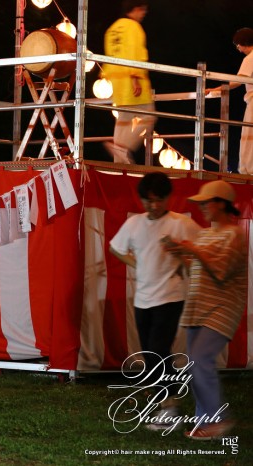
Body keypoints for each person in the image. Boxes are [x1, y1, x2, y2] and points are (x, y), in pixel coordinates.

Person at [109, 172, 201, 430]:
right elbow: (115, 248)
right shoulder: (134, 224)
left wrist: (182, 255)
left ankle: (169, 408)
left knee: (158, 350)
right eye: (149, 200)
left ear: (168, 198)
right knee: (152, 354)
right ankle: (168, 403)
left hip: (171, 296)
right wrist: (136, 264)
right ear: (141, 200)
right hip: (143, 299)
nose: (154, 205)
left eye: (159, 200)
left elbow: (203, 249)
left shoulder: (181, 223)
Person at [165, 180, 247, 440]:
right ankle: (205, 422)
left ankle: (216, 420)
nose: (201, 207)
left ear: (221, 204)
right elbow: (197, 270)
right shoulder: (205, 235)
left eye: (205, 202)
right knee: (195, 363)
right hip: (199, 306)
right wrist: (181, 254)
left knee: (200, 360)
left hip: (222, 307)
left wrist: (193, 250)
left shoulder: (235, 235)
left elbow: (221, 272)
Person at [102, 0, 156, 164]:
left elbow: (109, 56)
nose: (144, 14)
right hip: (133, 80)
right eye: (143, 10)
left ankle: (118, 162)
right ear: (136, 9)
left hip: (117, 81)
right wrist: (135, 78)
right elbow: (134, 54)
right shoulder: (134, 27)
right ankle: (123, 148)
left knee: (123, 120)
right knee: (150, 116)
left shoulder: (112, 29)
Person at [207, 28, 253, 175]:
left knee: (249, 136)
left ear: (243, 43)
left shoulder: (250, 58)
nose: (238, 48)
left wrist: (216, 89)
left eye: (238, 44)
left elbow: (237, 81)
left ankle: (248, 171)